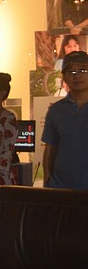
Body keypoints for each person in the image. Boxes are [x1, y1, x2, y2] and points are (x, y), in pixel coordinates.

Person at [43, 50, 88, 190]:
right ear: (64, 76)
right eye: (71, 71)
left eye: (83, 70)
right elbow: (50, 150)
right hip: (62, 188)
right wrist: (47, 181)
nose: (77, 75)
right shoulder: (56, 110)